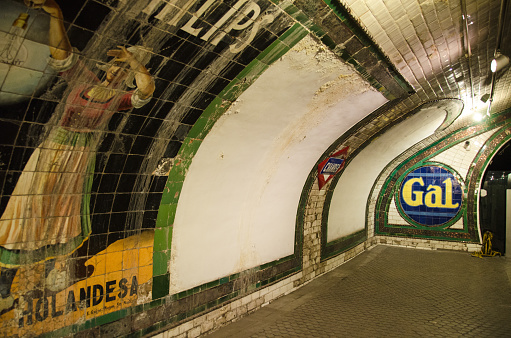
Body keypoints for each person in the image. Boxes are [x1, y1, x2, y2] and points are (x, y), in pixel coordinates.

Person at [0, 0, 155, 312]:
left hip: (80, 158)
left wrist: (135, 63)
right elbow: (62, 54)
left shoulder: (120, 99)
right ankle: (6, 274)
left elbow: (146, 91)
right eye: (116, 64)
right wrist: (55, 13)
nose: (116, 70)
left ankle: (45, 272)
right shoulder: (84, 80)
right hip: (54, 151)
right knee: (30, 206)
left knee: (62, 215)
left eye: (123, 69)